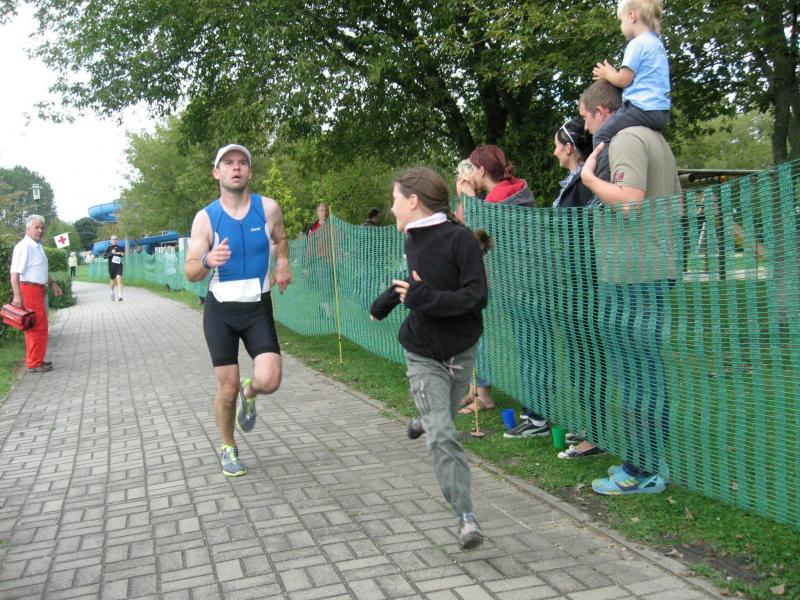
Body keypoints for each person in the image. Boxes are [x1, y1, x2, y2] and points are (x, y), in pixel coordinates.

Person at [371, 167, 488, 550]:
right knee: (443, 434)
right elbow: (415, 283)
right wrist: (385, 302)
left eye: (395, 200)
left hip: (460, 351)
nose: (391, 208)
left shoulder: (460, 240)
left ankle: (425, 417)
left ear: (413, 200)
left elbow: (475, 297)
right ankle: (466, 516)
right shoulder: (412, 238)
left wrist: (423, 298)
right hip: (422, 353)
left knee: (440, 422)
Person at [580, 79, 681, 495]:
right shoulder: (656, 139)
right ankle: (647, 463)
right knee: (645, 371)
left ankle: (642, 471)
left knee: (638, 374)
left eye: (587, 118)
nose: (587, 128)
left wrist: (589, 178)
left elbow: (629, 201)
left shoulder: (625, 139)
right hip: (648, 269)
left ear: (602, 112)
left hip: (634, 275)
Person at [185, 144, 292, 477]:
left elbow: (281, 238)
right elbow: (190, 271)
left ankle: (251, 391)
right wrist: (207, 260)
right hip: (221, 312)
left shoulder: (268, 208)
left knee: (270, 380)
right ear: (217, 173)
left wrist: (283, 262)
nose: (236, 167)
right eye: (228, 163)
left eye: (242, 163)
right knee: (226, 389)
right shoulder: (206, 218)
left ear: (250, 172)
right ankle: (228, 446)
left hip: (257, 307)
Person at [548, 117, 608, 459]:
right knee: (578, 358)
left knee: (588, 358)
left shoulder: (586, 182)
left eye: (558, 146)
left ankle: (595, 436)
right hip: (576, 282)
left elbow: (590, 235)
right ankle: (590, 426)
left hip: (587, 284)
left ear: (569, 148)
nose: (554, 152)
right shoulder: (576, 181)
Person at [591, 0, 670, 182]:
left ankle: (603, 184)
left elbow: (623, 80)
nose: (621, 26)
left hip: (641, 109)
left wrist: (607, 73)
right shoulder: (657, 45)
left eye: (621, 21)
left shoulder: (637, 44)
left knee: (602, 134)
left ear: (632, 16)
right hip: (661, 113)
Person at [9, 215, 63, 372]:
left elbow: (40, 269)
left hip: (37, 289)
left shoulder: (36, 246)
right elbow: (14, 273)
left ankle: (36, 359)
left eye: (42, 228)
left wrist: (53, 283)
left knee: (38, 325)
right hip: (29, 289)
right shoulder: (24, 246)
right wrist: (17, 295)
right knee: (36, 326)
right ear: (28, 228)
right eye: (36, 227)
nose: (40, 230)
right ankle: (34, 363)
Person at [105, 235, 125, 301]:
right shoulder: (109, 248)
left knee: (119, 278)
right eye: (113, 239)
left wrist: (120, 253)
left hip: (119, 266)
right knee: (112, 280)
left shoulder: (120, 247)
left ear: (117, 240)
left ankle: (120, 296)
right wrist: (111, 252)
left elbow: (123, 254)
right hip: (111, 266)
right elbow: (104, 256)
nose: (114, 240)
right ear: (111, 240)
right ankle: (112, 292)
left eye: (115, 239)